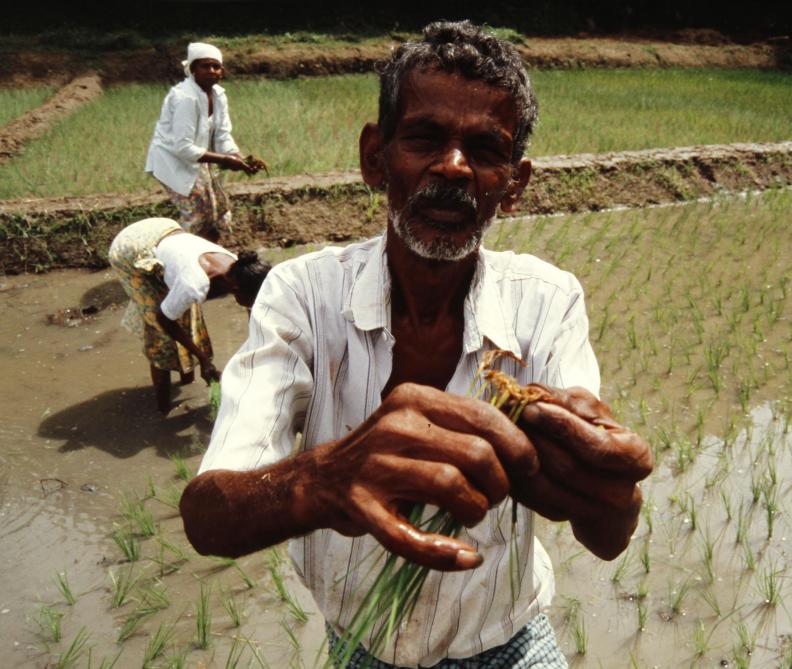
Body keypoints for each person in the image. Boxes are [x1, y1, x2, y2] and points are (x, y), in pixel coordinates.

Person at [180, 21, 652, 668]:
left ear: (513, 183)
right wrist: (323, 477)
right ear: (375, 156)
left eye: (485, 149)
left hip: (506, 643)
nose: (453, 167)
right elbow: (207, 515)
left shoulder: (548, 300)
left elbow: (605, 538)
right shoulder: (301, 295)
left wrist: (615, 496)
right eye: (425, 137)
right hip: (364, 645)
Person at [108, 217, 271, 414]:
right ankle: (163, 412)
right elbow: (164, 319)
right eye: (253, 300)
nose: (255, 304)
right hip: (130, 247)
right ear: (236, 289)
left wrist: (259, 349)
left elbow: (254, 312)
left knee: (188, 315)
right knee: (162, 337)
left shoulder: (240, 268)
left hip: (163, 229)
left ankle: (188, 381)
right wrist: (203, 360)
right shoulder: (194, 283)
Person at [145, 42, 261, 242]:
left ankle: (213, 253)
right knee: (197, 214)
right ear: (192, 70)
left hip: (197, 157)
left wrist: (240, 158)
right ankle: (181, 257)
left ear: (222, 71)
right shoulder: (185, 97)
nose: (211, 71)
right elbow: (182, 147)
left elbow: (223, 135)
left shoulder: (218, 96)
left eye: (216, 66)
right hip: (172, 160)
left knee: (219, 208)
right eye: (205, 66)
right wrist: (225, 160)